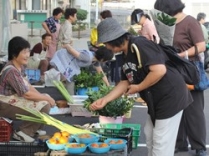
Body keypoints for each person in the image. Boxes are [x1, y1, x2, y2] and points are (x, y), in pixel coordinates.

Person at [89, 17, 192, 156]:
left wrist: (138, 87)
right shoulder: (125, 54)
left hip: (170, 96)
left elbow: (159, 70)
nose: (107, 47)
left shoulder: (139, 44)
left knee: (161, 143)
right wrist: (105, 100)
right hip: (155, 99)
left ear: (114, 39)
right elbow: (125, 82)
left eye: (107, 43)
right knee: (149, 136)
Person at [154, 1, 207, 156]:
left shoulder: (190, 22)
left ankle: (199, 146)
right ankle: (179, 143)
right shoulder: (166, 23)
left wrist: (181, 55)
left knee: (194, 110)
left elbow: (201, 46)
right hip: (173, 70)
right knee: (176, 107)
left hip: (190, 70)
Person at [0, 36, 55, 142]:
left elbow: (28, 86)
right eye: (24, 52)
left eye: (28, 52)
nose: (27, 55)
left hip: (12, 100)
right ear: (14, 54)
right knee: (45, 105)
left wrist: (43, 96)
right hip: (4, 104)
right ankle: (23, 132)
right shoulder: (11, 70)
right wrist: (45, 99)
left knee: (44, 99)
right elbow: (26, 94)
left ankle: (34, 128)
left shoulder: (20, 67)